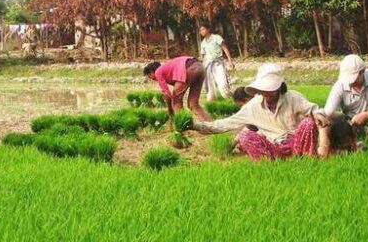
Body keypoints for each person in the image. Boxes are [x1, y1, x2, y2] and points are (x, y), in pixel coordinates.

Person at [195, 64, 339, 160]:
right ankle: (270, 165)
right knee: (245, 136)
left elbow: (315, 110)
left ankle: (306, 160)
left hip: (296, 144)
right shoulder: (253, 106)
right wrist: (197, 126)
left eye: (270, 89)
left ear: (279, 87)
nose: (266, 93)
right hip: (273, 147)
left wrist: (318, 116)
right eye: (263, 89)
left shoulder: (293, 98)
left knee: (308, 123)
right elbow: (226, 123)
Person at [324, 54, 368, 138]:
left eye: (353, 79)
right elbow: (328, 112)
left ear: (362, 72)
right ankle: (352, 137)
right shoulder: (340, 84)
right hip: (350, 123)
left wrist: (365, 116)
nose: (351, 83)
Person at [143, 57, 212, 122]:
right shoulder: (167, 70)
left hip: (189, 67)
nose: (152, 79)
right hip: (200, 67)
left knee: (176, 99)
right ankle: (211, 124)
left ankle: (183, 124)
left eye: (150, 76)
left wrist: (170, 111)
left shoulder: (158, 72)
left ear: (151, 72)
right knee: (193, 104)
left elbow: (167, 95)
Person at [198, 22, 234, 100]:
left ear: (208, 29)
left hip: (218, 63)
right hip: (208, 65)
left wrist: (230, 61)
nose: (201, 32)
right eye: (200, 30)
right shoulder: (203, 43)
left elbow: (225, 48)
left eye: (203, 29)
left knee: (223, 82)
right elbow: (203, 56)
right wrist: (202, 67)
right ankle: (212, 100)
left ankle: (230, 98)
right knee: (209, 85)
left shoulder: (216, 38)